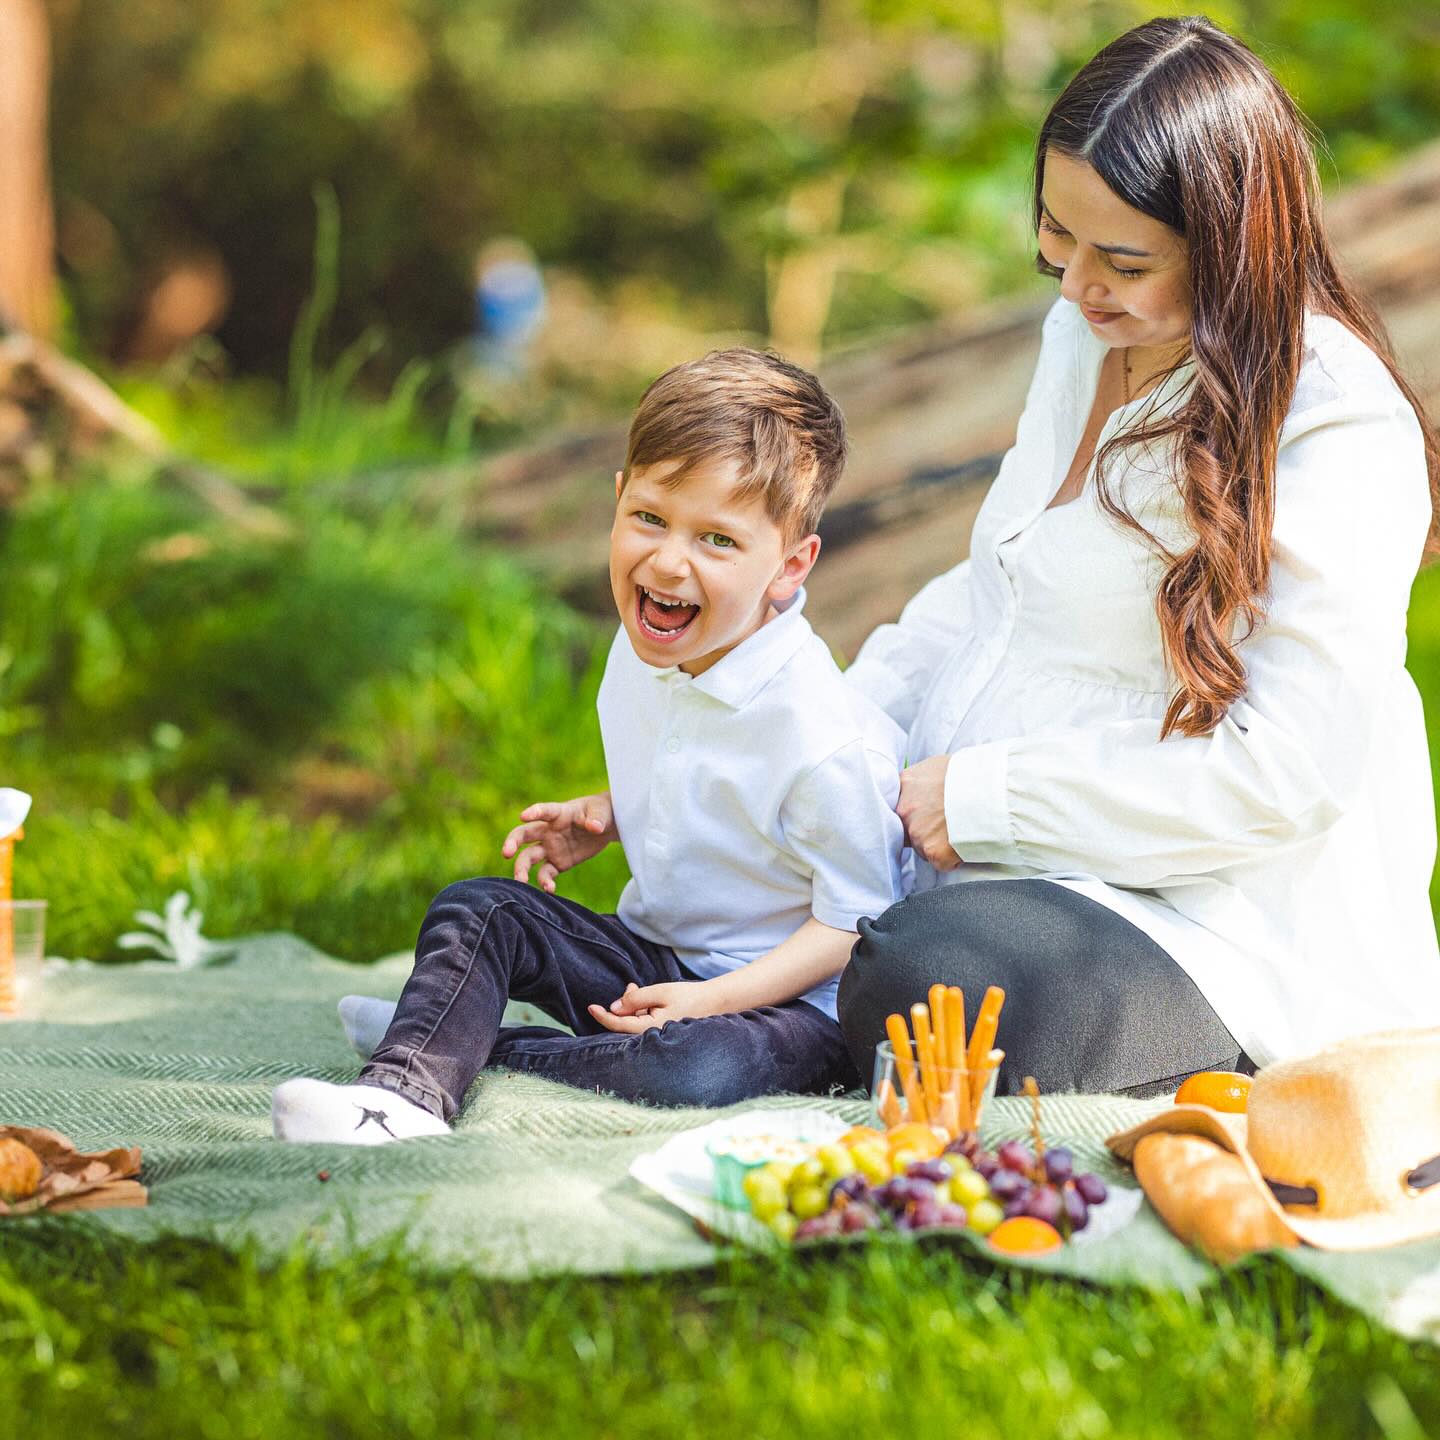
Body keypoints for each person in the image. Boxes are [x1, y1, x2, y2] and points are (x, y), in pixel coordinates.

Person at [835, 14, 1440, 1099]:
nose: (1074, 288)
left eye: (1122, 261)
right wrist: (836, 734)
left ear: (1234, 244)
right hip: (1008, 856)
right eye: (1055, 240)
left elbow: (1286, 777)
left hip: (1213, 925)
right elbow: (1001, 588)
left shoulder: (1335, 427)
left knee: (931, 979)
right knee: (752, 869)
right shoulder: (1087, 337)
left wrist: (983, 805)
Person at [272, 348, 906, 1144]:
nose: (669, 561)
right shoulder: (652, 643)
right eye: (650, 518)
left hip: (786, 1005)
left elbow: (855, 921)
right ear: (618, 499)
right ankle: (406, 1089)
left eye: (717, 540)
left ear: (789, 567)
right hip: (657, 959)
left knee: (697, 1070)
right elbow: (712, 773)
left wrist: (706, 1002)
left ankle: (465, 1044)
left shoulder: (818, 732)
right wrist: (613, 815)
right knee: (480, 908)